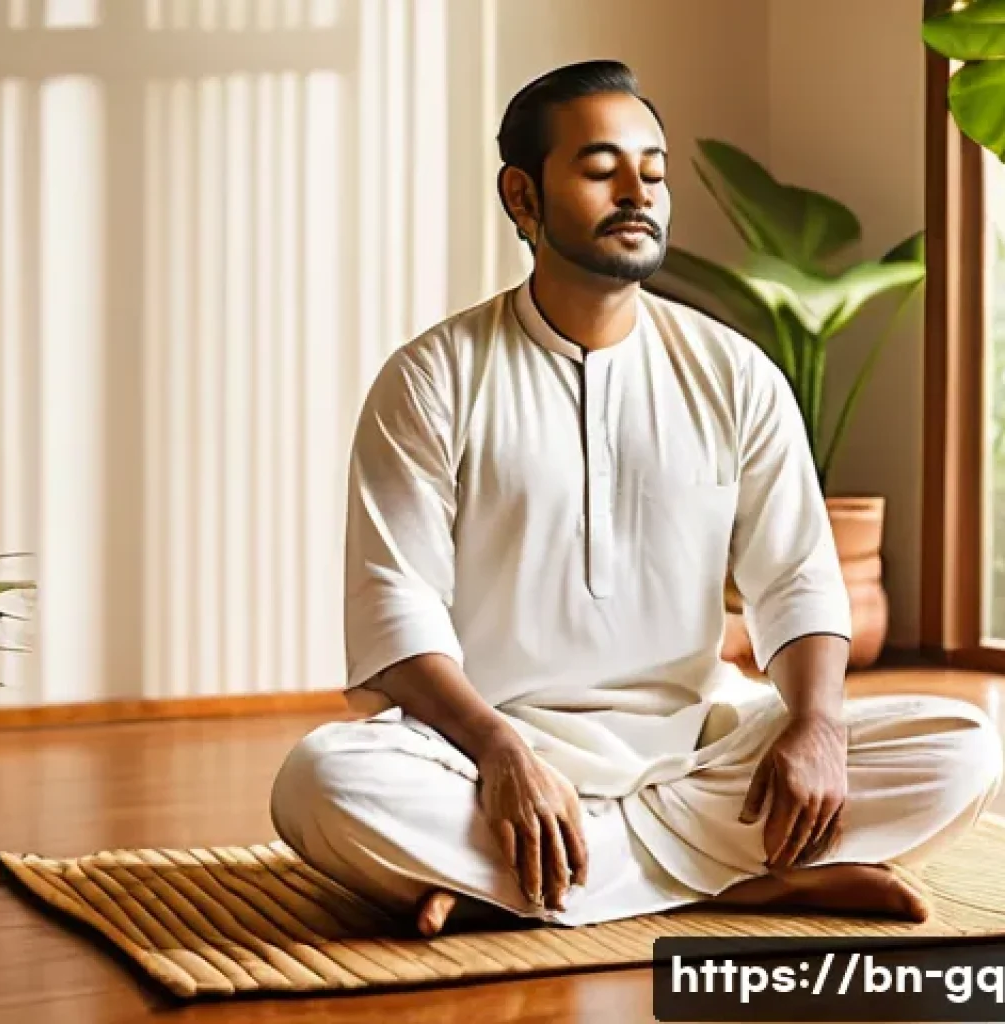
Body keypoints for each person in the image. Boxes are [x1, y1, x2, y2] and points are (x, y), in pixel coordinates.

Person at [270, 60, 1003, 938]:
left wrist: (816, 726)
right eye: (600, 168)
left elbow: (798, 583)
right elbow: (395, 608)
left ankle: (527, 883)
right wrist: (503, 754)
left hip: (699, 744)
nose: (637, 192)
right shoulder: (433, 378)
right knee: (323, 784)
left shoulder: (735, 375)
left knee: (961, 749)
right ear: (523, 196)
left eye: (653, 172)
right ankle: (746, 882)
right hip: (485, 753)